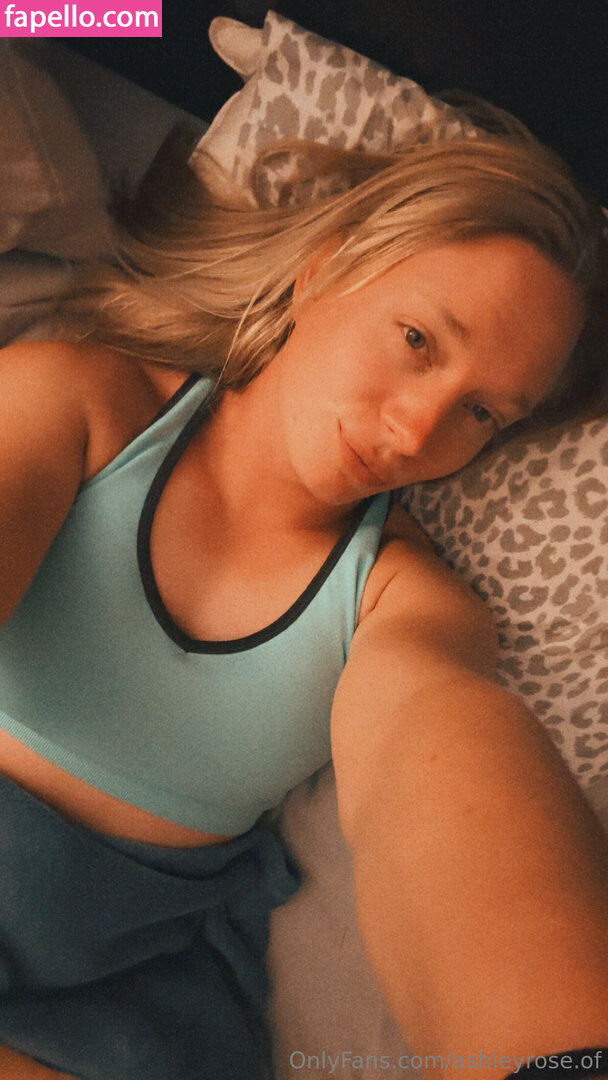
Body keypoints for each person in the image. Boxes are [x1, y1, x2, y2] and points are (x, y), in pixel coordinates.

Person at [0, 110, 607, 1080]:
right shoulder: (80, 403)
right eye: (417, 339)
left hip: (120, 1005)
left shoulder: (398, 599)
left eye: (482, 412)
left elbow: (435, 752)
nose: (417, 433)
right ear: (322, 270)